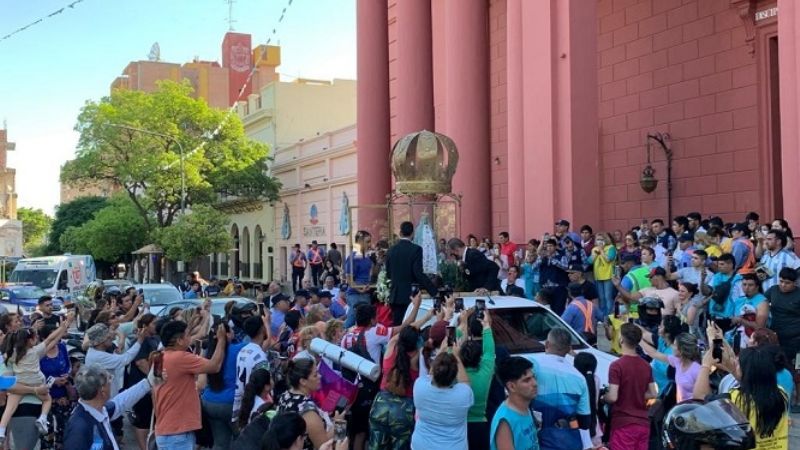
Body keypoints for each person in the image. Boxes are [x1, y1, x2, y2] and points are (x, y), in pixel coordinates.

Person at [0, 311, 75, 444]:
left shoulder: (12, 354)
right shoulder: (34, 352)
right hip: (29, 402)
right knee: (47, 400)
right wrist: (63, 327)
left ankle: (1, 429)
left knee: (9, 409)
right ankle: (43, 418)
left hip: (24, 392)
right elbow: (50, 340)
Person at [154, 320, 228, 450]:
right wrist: (221, 340)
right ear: (179, 341)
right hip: (178, 433)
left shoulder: (159, 357)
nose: (191, 338)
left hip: (165, 429)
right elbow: (214, 366)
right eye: (188, 334)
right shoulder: (180, 357)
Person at [63, 364, 154, 450]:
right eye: (109, 380)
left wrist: (148, 383)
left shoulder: (99, 411)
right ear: (102, 390)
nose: (111, 383)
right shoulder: (79, 429)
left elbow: (121, 402)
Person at [532, 328, 593, 450]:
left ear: (547, 344)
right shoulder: (579, 377)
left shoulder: (533, 366)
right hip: (570, 441)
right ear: (568, 349)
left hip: (538, 439)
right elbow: (585, 421)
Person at [601, 323, 657, 450]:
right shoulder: (646, 365)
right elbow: (653, 393)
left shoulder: (617, 365)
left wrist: (604, 398)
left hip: (623, 423)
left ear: (621, 339)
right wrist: (636, 395)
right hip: (643, 423)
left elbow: (613, 397)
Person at [367, 326, 421, 450]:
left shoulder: (391, 348)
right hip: (404, 410)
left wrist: (422, 320)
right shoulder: (418, 358)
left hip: (381, 404)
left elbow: (398, 336)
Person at [411, 349, 474, 450]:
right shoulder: (463, 395)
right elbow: (465, 382)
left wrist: (439, 354)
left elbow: (431, 374)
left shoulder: (419, 386)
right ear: (454, 375)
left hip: (421, 445)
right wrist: (456, 357)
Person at [276, 358, 340, 450]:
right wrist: (338, 425)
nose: (320, 376)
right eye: (315, 375)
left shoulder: (285, 395)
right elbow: (324, 446)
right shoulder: (308, 412)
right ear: (303, 381)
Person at [200, 323, 245, 450]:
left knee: (220, 443)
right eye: (231, 331)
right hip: (230, 404)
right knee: (243, 439)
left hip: (209, 401)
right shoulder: (238, 349)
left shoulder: (209, 352)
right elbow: (260, 344)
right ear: (227, 335)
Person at [385, 221, 438, 326]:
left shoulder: (391, 250)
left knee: (397, 325)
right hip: (410, 295)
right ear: (413, 233)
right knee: (410, 325)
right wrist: (433, 290)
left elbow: (389, 274)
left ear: (400, 233)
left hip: (395, 295)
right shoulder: (416, 249)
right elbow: (418, 273)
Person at [459, 308, 495, 450]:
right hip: (480, 427)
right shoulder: (485, 371)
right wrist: (486, 326)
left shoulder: (454, 373)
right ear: (480, 358)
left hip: (459, 426)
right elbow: (489, 351)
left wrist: (462, 323)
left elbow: (450, 348)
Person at [490, 357, 540, 450]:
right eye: (527, 380)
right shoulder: (505, 420)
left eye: (534, 377)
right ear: (511, 386)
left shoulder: (525, 407)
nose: (535, 383)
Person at [641, 332, 701, 403]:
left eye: (675, 345)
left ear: (681, 350)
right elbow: (654, 354)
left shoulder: (697, 370)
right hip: (681, 409)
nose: (672, 347)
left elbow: (702, 396)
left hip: (692, 410)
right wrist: (639, 340)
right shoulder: (677, 361)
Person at [233, 316, 269, 421]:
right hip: (256, 404)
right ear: (262, 329)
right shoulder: (260, 356)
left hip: (243, 402)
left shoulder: (243, 350)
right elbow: (264, 384)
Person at [343, 230, 374, 328]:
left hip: (365, 293)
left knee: (366, 321)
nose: (370, 244)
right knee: (352, 320)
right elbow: (349, 279)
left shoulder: (366, 256)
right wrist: (359, 289)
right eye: (367, 241)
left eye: (370, 241)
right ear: (360, 241)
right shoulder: (352, 257)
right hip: (355, 294)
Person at [587, 232, 616, 317]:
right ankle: (603, 316)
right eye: (598, 239)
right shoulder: (594, 249)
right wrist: (595, 253)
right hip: (598, 276)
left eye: (602, 239)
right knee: (601, 297)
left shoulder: (611, 248)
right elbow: (589, 261)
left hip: (608, 275)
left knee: (608, 297)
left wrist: (602, 251)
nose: (600, 241)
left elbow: (609, 259)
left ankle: (609, 316)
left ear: (606, 240)